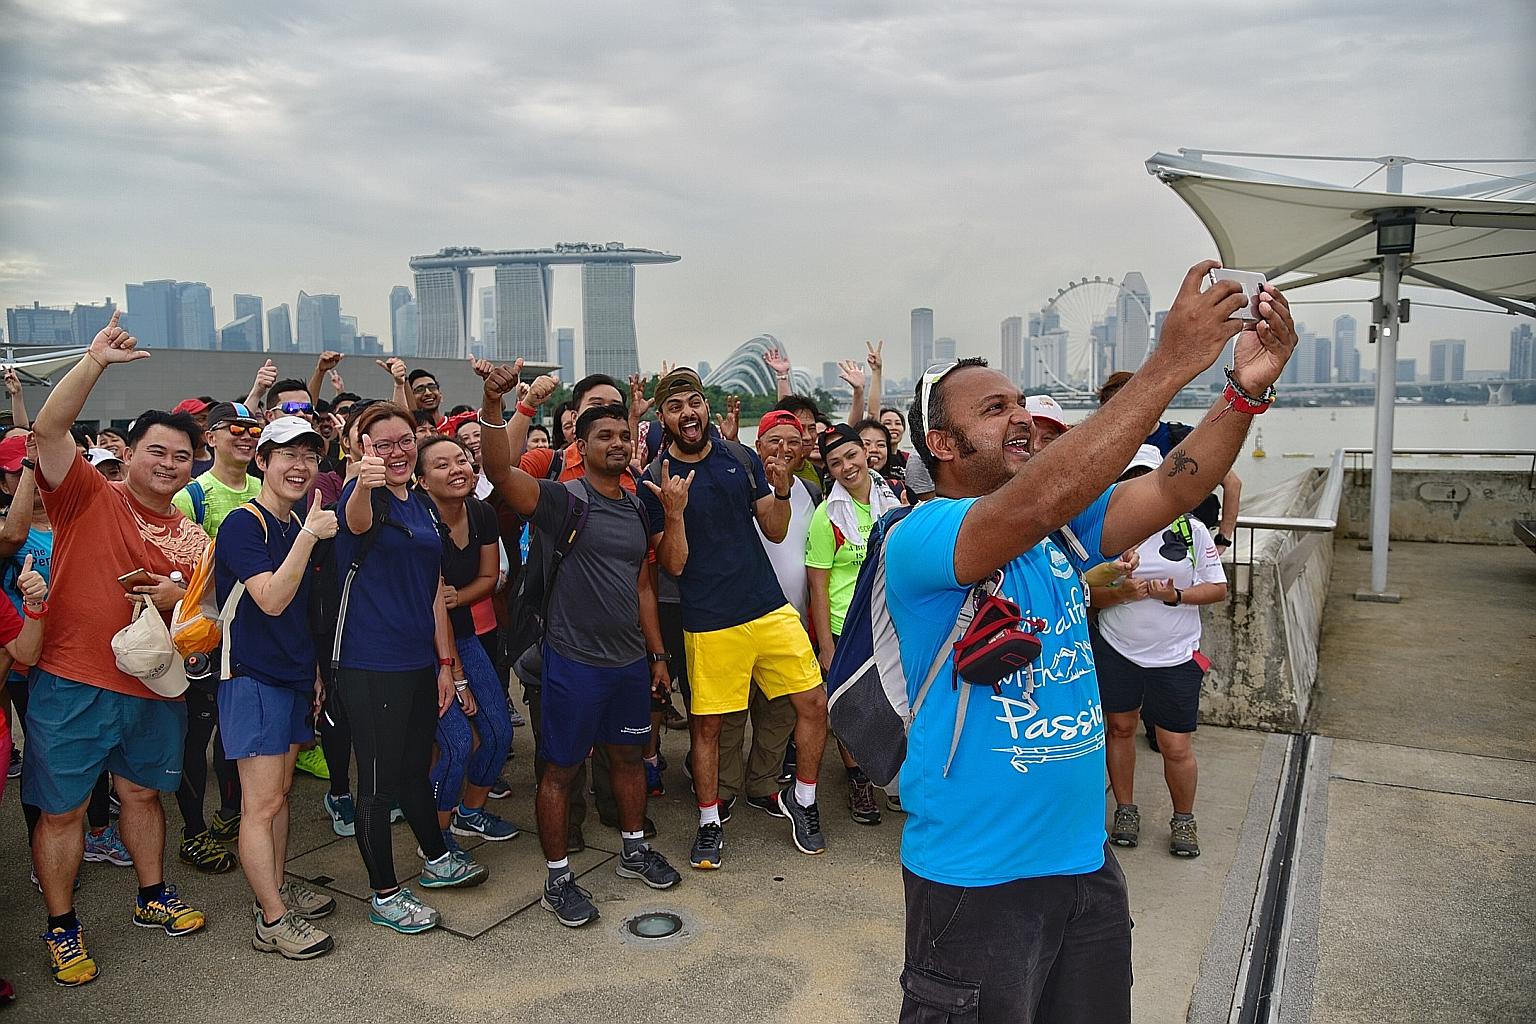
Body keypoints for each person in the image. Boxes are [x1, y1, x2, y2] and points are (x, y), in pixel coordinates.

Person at [883, 262, 1294, 1022]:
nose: (1019, 417)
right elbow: (1038, 497)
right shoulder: (923, 537)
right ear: (940, 442)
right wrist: (1170, 362)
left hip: (1083, 862)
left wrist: (1244, 393)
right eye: (993, 407)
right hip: (978, 878)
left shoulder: (1058, 538)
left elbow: (1176, 484)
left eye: (1020, 403)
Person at [29, 312, 214, 987]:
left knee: (141, 795)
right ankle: (61, 924)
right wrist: (95, 361)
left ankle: (152, 895)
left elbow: (208, 627)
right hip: (73, 680)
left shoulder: (195, 540)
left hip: (153, 688)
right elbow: (47, 430)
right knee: (64, 808)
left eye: (181, 456)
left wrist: (179, 604)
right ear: (128, 452)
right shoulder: (86, 496)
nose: (169, 464)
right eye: (156, 452)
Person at [478, 369, 681, 926]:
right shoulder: (560, 501)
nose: (617, 444)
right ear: (581, 445)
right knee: (560, 772)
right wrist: (496, 401)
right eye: (604, 436)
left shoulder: (642, 504)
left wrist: (656, 656)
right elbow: (497, 470)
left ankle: (634, 849)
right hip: (572, 663)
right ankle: (558, 878)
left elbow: (647, 581)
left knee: (630, 761)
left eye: (624, 436)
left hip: (627, 663)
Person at [640, 367, 831, 869]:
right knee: (707, 728)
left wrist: (783, 489)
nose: (688, 413)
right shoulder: (653, 482)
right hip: (709, 619)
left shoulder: (740, 457)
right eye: (676, 405)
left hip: (768, 607)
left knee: (813, 703)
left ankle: (804, 801)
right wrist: (675, 513)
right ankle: (708, 821)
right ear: (663, 417)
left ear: (706, 407)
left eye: (695, 402)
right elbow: (675, 565)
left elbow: (773, 528)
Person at [335, 402, 487, 936]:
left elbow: (432, 595)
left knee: (411, 770)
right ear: (362, 448)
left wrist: (445, 665)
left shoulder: (421, 504)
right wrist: (360, 481)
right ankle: (384, 894)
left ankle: (436, 856)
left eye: (404, 442)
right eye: (383, 443)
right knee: (376, 785)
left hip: (419, 661)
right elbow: (353, 521)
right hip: (369, 662)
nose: (396, 451)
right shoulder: (363, 498)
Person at [215, 416, 340, 959]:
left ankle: (279, 889)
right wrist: (310, 535)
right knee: (260, 804)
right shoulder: (247, 524)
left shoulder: (292, 522)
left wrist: (310, 671)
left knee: (280, 795)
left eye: (310, 456)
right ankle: (272, 918)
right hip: (252, 677)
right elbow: (269, 598)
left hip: (290, 675)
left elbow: (299, 614)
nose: (300, 466)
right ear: (261, 462)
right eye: (286, 454)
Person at [1090, 445, 1228, 858]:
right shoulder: (1108, 533)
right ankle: (1126, 810)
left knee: (1175, 745)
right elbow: (1085, 594)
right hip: (1117, 648)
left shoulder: (1192, 531)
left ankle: (1183, 819)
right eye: (1132, 479)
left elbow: (1218, 588)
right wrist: (1120, 588)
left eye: (1148, 478)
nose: (1141, 488)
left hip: (1175, 654)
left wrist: (1176, 596)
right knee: (1120, 730)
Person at [170, 401, 266, 873]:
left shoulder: (263, 488)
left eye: (254, 429)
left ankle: (230, 814)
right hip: (205, 642)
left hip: (250, 639)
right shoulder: (193, 495)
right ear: (211, 437)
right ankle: (192, 831)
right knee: (197, 735)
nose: (246, 436)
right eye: (235, 429)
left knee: (235, 738)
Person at [415, 435, 518, 849]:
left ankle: (469, 813)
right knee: (457, 744)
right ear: (421, 480)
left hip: (464, 633)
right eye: (442, 465)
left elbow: (488, 578)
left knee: (498, 733)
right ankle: (434, 840)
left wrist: (458, 595)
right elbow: (430, 605)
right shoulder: (418, 524)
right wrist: (454, 674)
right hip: (421, 650)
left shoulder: (480, 512)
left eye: (461, 460)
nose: (457, 469)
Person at [716, 411, 817, 818]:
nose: (784, 449)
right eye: (774, 441)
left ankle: (762, 783)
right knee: (730, 713)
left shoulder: (812, 490)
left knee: (778, 716)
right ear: (757, 448)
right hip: (739, 618)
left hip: (791, 622)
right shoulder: (741, 486)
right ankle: (722, 789)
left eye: (793, 441)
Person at [806, 424, 902, 825]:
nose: (847, 467)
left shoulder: (895, 500)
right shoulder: (826, 516)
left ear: (865, 453)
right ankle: (858, 779)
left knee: (897, 701)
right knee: (854, 706)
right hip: (846, 626)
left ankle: (897, 780)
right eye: (835, 463)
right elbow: (817, 586)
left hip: (890, 620)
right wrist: (827, 648)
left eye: (851, 456)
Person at [1098, 371, 1241, 554]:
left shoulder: (1184, 439)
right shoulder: (1103, 448)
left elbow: (1232, 483)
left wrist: (1223, 539)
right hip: (1124, 550)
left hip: (1184, 545)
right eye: (1113, 408)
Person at [855, 417, 907, 502]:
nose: (874, 449)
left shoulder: (899, 484)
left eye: (881, 445)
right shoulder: (844, 484)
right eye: (866, 444)